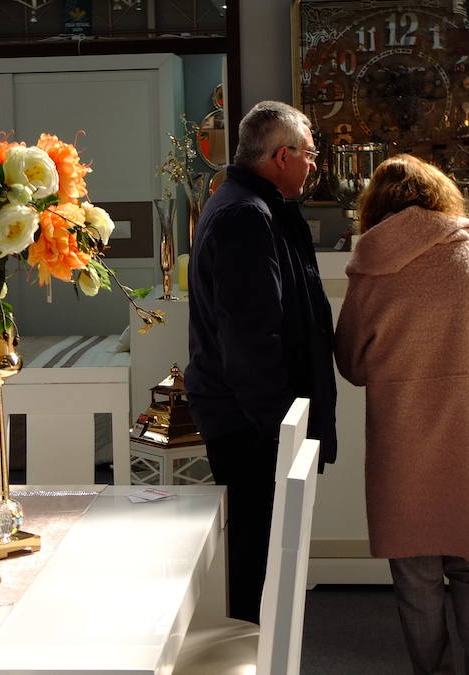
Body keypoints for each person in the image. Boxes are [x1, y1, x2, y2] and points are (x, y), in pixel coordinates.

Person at [334, 154, 469, 674]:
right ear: (438, 196)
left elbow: (352, 364)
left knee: (416, 577)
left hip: (401, 445)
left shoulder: (371, 268)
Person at [185, 100, 337, 623]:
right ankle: (255, 651)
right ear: (281, 155)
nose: (314, 164)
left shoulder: (251, 204)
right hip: (252, 425)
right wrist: (281, 430)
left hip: (255, 418)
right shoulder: (245, 215)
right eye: (310, 153)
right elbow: (251, 338)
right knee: (257, 560)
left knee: (264, 554)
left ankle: (260, 646)